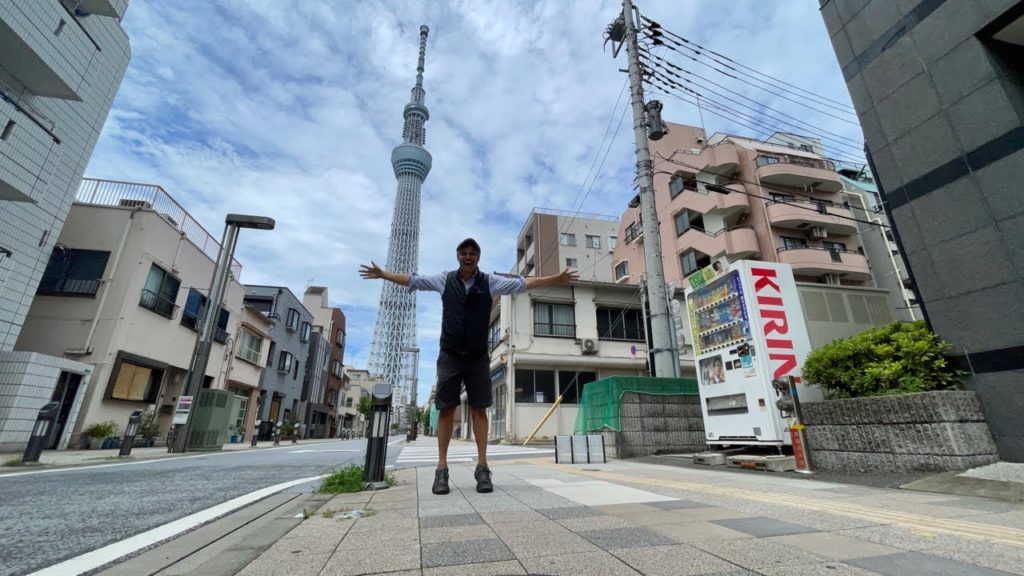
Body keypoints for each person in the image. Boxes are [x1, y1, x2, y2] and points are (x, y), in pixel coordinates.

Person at [360, 238, 578, 495]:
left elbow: (524, 283)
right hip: (450, 354)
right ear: (457, 256)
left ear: (478, 257)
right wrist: (383, 274)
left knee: (479, 409)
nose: (468, 256)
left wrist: (557, 278)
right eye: (464, 252)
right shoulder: (444, 279)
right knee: (446, 409)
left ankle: (482, 467)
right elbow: (414, 280)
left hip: (477, 356)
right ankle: (441, 469)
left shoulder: (491, 282)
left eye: (472, 253)